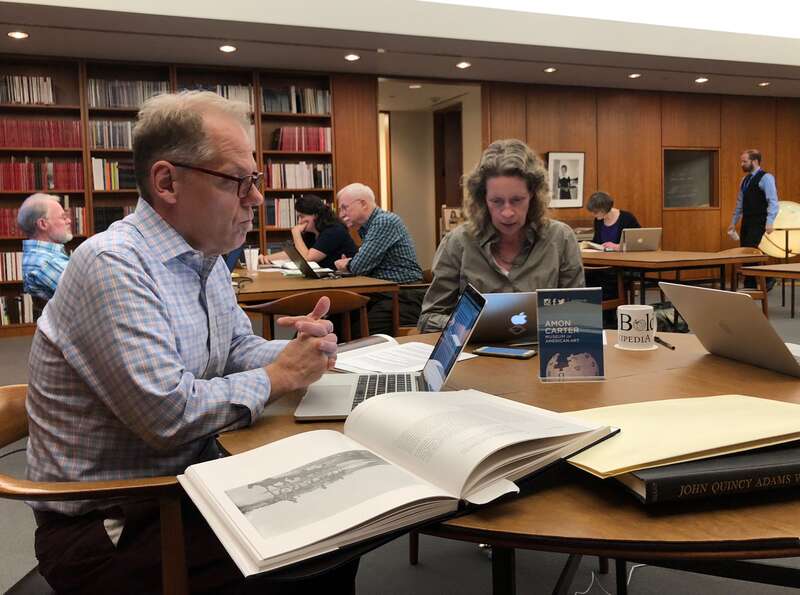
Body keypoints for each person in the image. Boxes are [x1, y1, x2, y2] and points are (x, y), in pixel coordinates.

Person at [25, 90, 359, 594]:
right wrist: (280, 375)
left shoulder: (203, 257)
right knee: (324, 544)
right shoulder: (114, 264)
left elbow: (235, 352)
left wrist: (301, 354)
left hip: (187, 485)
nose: (257, 198)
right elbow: (168, 414)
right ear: (167, 182)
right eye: (238, 181)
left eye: (257, 180)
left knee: (343, 519)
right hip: (111, 523)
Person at [418, 139, 585, 332]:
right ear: (483, 199)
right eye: (497, 201)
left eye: (517, 200)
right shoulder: (458, 242)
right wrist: (473, 325)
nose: (507, 212)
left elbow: (578, 315)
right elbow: (428, 319)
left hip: (540, 356)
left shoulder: (561, 238)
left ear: (533, 195)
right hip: (478, 358)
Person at [334, 183, 424, 335]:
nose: (341, 214)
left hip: (403, 295)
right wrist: (352, 263)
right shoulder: (367, 227)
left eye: (344, 207)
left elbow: (359, 266)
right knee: (334, 322)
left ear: (362, 203)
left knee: (351, 331)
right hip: (385, 294)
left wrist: (347, 264)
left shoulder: (384, 221)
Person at [727, 149, 779, 289]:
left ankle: (767, 278)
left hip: (759, 220)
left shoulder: (766, 178)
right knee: (745, 251)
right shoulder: (744, 180)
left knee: (751, 250)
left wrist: (770, 222)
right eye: (741, 161)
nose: (742, 164)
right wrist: (733, 223)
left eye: (744, 161)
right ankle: (750, 283)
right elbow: (740, 203)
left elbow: (773, 201)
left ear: (754, 161)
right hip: (747, 220)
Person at [261, 194, 356, 270]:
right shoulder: (312, 233)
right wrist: (267, 258)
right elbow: (295, 254)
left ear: (315, 215)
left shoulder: (334, 230)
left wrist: (296, 233)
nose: (299, 222)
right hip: (326, 280)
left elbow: (307, 258)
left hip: (345, 281)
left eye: (302, 216)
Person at [17, 192, 72, 301]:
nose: (69, 221)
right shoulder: (44, 262)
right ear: (43, 224)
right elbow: (94, 291)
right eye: (63, 217)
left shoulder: (40, 257)